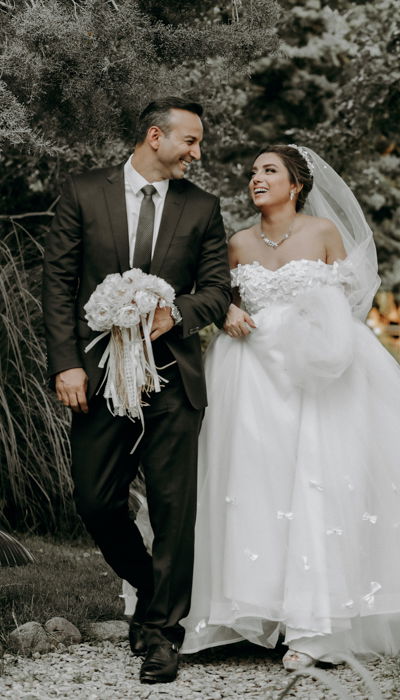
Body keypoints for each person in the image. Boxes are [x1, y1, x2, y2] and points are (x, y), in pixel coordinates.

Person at [125, 144, 400, 671]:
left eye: (269, 171)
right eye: (254, 171)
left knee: (317, 486)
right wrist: (231, 309)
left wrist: (320, 329)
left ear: (295, 184)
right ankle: (232, 615)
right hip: (250, 373)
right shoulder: (235, 241)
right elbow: (213, 293)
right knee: (252, 485)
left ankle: (315, 626)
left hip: (320, 374)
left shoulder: (324, 234)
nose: (256, 178)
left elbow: (352, 295)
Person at [42, 97, 231, 684]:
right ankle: (154, 586)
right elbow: (58, 284)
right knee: (96, 500)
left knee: (175, 509)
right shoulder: (83, 191)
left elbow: (220, 289)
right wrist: (66, 364)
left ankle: (161, 634)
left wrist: (177, 312)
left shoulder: (201, 207)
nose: (197, 154)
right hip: (97, 378)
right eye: (191, 141)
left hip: (173, 376)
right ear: (156, 136)